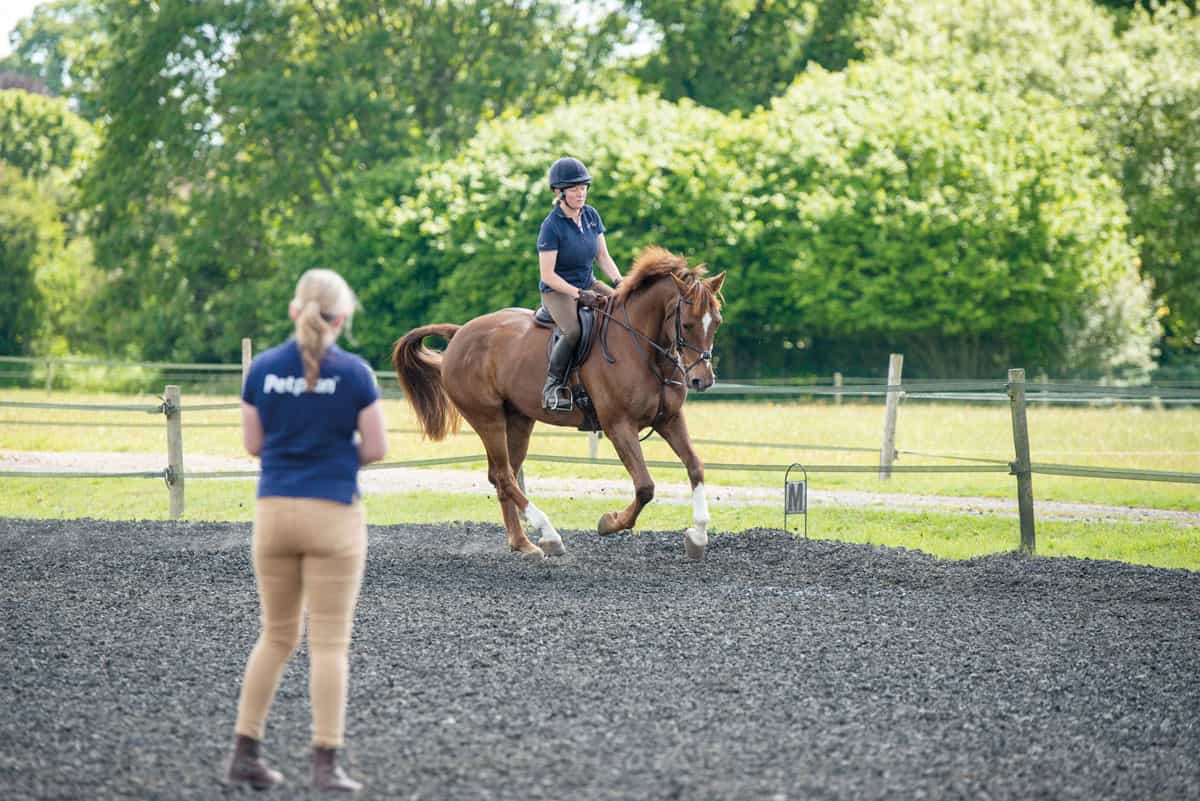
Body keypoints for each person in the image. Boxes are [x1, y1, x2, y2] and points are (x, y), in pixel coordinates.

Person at [223, 268, 388, 793]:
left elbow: (254, 445)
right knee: (330, 644)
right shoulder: (357, 373)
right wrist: (333, 454)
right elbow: (377, 449)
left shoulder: (263, 370)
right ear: (342, 317)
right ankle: (325, 764)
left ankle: (244, 753)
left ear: (296, 311)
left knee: (275, 636)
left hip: (274, 513)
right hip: (334, 513)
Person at [537, 156, 623, 410]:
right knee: (573, 331)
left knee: (623, 310)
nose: (580, 194)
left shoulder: (591, 216)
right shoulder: (551, 227)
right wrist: (578, 294)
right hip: (557, 290)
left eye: (583, 188)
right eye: (574, 189)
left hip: (589, 283)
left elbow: (602, 256)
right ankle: (552, 386)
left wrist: (619, 281)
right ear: (559, 192)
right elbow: (548, 275)